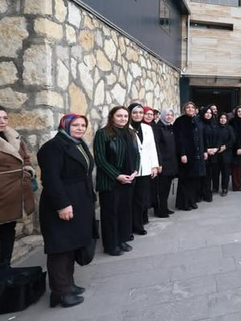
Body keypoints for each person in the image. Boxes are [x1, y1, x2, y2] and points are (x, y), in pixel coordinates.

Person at [38, 113, 96, 308]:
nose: (80, 128)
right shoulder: (53, 147)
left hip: (79, 200)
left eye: (83, 125)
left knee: (71, 246)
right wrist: (62, 204)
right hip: (62, 203)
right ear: (65, 125)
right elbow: (51, 179)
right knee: (60, 248)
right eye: (75, 125)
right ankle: (60, 293)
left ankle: (68, 285)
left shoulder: (78, 144)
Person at [0, 105, 36, 270]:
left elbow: (25, 157)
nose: (2, 121)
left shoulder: (12, 135)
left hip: (14, 193)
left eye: (5, 118)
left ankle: (4, 271)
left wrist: (28, 170)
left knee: (8, 231)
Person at [93, 106, 138, 256]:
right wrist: (117, 175)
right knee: (110, 213)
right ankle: (111, 245)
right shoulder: (103, 133)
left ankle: (122, 239)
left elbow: (137, 154)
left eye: (125, 116)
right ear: (112, 117)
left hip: (128, 179)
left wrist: (135, 171)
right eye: (119, 116)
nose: (123, 118)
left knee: (124, 212)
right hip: (110, 182)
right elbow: (100, 159)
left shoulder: (131, 133)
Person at [128, 103, 159, 236]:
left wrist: (154, 165)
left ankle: (138, 224)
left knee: (140, 199)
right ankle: (128, 227)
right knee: (130, 199)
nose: (138, 115)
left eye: (140, 113)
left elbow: (152, 147)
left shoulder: (147, 128)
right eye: (135, 112)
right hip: (130, 169)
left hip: (145, 168)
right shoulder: (126, 128)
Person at [173, 102, 207, 211]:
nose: (190, 109)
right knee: (185, 179)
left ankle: (192, 200)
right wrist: (182, 153)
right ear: (184, 109)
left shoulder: (197, 120)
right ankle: (184, 203)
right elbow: (178, 139)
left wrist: (204, 151)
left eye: (192, 107)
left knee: (194, 179)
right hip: (186, 155)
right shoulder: (180, 121)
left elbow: (202, 137)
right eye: (188, 107)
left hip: (196, 154)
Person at [153, 108, 178, 217]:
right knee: (161, 188)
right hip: (163, 162)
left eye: (171, 115)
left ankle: (165, 207)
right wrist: (159, 163)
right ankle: (160, 210)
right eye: (167, 115)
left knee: (167, 186)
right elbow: (156, 146)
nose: (169, 117)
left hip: (171, 161)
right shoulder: (158, 128)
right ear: (162, 116)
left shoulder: (170, 127)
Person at [200, 107, 219, 197]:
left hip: (213, 153)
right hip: (203, 153)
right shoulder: (199, 124)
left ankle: (207, 193)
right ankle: (201, 193)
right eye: (207, 113)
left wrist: (216, 148)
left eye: (210, 113)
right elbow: (199, 139)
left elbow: (219, 137)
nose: (208, 115)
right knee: (202, 175)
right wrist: (206, 150)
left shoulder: (214, 124)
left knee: (209, 175)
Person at [216, 113, 236, 196]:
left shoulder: (229, 128)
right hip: (216, 153)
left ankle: (225, 188)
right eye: (221, 118)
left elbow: (233, 139)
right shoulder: (216, 127)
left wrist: (225, 147)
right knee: (216, 172)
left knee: (225, 172)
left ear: (227, 120)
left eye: (224, 118)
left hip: (226, 153)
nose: (222, 119)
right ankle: (215, 188)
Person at [228, 106, 241, 191]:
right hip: (236, 148)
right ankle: (236, 186)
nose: (240, 113)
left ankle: (240, 184)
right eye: (239, 111)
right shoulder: (233, 121)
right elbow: (234, 136)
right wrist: (238, 147)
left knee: (240, 167)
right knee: (235, 167)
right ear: (236, 112)